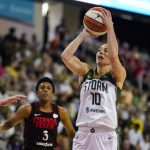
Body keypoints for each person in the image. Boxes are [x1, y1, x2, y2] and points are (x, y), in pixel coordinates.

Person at [61, 7, 126, 150]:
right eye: (99, 50)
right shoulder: (85, 72)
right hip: (83, 134)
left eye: (105, 50)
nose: (100, 52)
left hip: (105, 135)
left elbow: (115, 55)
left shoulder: (117, 75)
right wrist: (83, 35)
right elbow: (65, 56)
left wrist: (109, 28)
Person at [0, 77, 75, 150]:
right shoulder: (27, 109)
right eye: (42, 88)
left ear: (52, 93)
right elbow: (7, 125)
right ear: (37, 92)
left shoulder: (61, 112)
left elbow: (72, 134)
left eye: (48, 88)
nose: (45, 90)